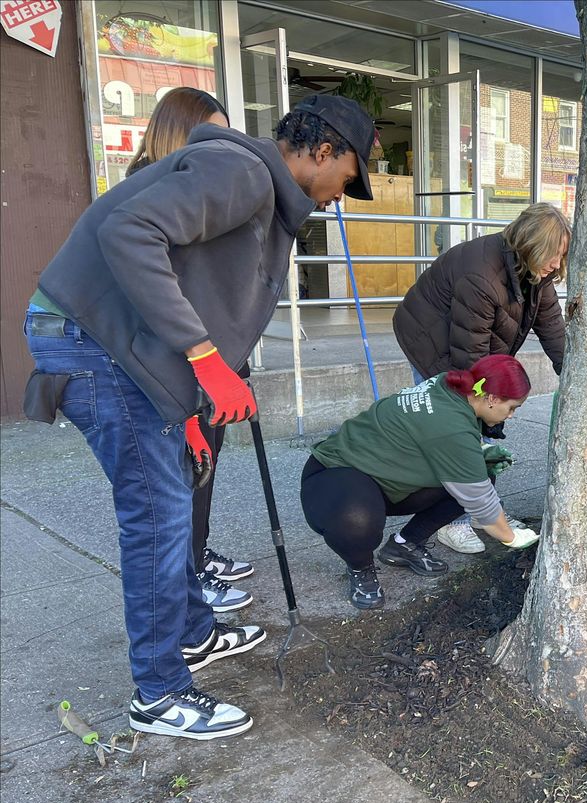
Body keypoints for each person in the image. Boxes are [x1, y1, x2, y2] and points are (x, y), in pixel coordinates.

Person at [23, 93, 377, 740]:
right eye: (348, 179)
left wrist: (182, 402)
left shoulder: (262, 195)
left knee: (176, 494)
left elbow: (179, 283)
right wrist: (207, 362)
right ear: (323, 151)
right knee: (158, 515)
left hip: (114, 343)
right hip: (88, 339)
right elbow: (129, 235)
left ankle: (189, 631)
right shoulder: (241, 173)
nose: (340, 197)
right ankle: (157, 695)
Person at [126, 87, 256, 616]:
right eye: (213, 134)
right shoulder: (149, 191)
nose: (221, 147)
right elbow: (157, 294)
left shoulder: (200, 194)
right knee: (183, 474)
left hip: (212, 355)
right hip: (175, 362)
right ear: (181, 135)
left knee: (204, 465)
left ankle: (195, 556)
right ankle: (188, 576)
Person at [391, 202, 569, 555]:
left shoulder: (536, 274)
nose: (557, 265)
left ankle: (481, 513)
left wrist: (572, 375)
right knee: (456, 427)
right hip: (431, 341)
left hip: (467, 342)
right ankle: (452, 522)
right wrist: (486, 405)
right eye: (552, 255)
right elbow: (469, 358)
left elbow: (553, 330)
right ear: (530, 245)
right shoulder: (481, 275)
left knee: (485, 426)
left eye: (562, 257)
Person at [300, 354, 540, 609]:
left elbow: (431, 438)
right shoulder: (451, 424)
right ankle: (360, 567)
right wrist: (512, 538)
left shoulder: (448, 385)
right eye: (512, 407)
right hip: (334, 475)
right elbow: (483, 505)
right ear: (491, 398)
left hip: (382, 478)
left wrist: (478, 453)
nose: (511, 415)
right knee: (356, 519)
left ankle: (403, 546)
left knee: (480, 474)